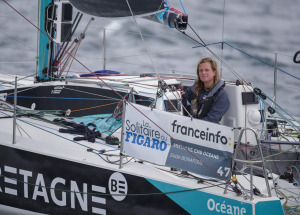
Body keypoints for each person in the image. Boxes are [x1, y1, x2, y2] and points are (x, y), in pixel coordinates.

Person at [182, 57, 230, 123]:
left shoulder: (221, 96)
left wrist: (193, 125)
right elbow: (183, 108)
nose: (203, 73)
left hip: (207, 130)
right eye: (201, 70)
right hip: (188, 126)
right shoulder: (192, 90)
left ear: (214, 73)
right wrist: (181, 96)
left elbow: (212, 119)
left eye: (207, 70)